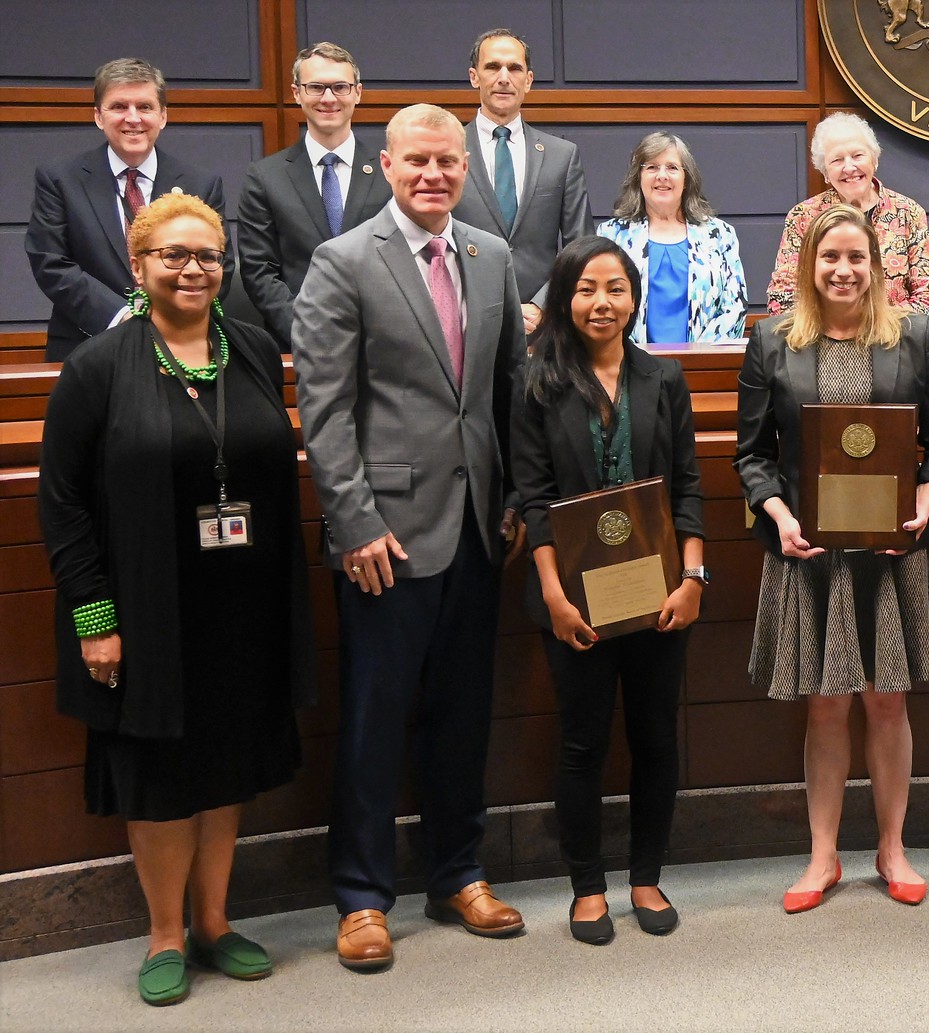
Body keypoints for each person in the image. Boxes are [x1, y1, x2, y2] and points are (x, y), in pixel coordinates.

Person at [38, 194, 315, 1005]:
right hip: (148, 609)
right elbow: (61, 503)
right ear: (140, 265)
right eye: (175, 255)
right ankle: (164, 933)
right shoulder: (100, 364)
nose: (194, 269)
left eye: (208, 255)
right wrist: (97, 621)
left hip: (242, 605)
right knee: (161, 772)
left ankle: (215, 920)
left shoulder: (254, 349)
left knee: (225, 762)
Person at [293, 103, 528, 972]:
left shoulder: (491, 255)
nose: (433, 175)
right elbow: (325, 407)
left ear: (464, 166)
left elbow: (509, 392)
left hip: (477, 528)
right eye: (416, 162)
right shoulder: (343, 261)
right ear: (384, 166)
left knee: (463, 714)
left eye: (447, 162)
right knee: (374, 718)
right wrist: (352, 520)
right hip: (384, 535)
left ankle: (457, 871)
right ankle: (361, 896)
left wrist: (516, 498)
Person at [736, 204, 929, 914]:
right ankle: (823, 854)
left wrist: (925, 504)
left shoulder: (916, 335)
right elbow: (752, 455)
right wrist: (779, 514)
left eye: (856, 258)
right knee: (827, 703)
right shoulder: (772, 341)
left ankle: (892, 847)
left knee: (887, 699)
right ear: (809, 265)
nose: (843, 270)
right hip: (810, 548)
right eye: (829, 257)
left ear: (877, 265)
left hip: (894, 545)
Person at [511, 236, 708, 945]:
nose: (603, 302)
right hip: (574, 599)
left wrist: (692, 578)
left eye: (617, 288)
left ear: (634, 298)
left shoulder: (665, 378)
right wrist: (555, 597)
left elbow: (688, 485)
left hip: (660, 596)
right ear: (566, 298)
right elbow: (533, 498)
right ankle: (587, 885)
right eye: (588, 288)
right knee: (583, 742)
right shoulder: (537, 382)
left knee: (656, 737)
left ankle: (647, 874)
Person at [26, 58, 231, 362]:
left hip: (179, 349)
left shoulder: (201, 184)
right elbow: (51, 263)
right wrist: (123, 316)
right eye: (119, 106)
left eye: (145, 107)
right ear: (98, 116)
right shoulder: (60, 179)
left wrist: (164, 319)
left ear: (162, 116)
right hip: (87, 348)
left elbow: (217, 265)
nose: (133, 118)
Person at [237, 42, 393, 350]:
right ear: (297, 94)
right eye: (316, 87)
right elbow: (259, 270)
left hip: (382, 345)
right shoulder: (265, 177)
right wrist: (306, 332)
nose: (328, 98)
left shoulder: (390, 172)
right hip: (298, 346)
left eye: (340, 87)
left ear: (357, 93)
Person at [449, 28, 592, 331]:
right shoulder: (447, 152)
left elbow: (580, 247)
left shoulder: (561, 156)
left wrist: (544, 305)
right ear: (474, 76)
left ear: (528, 80)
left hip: (542, 331)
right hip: (464, 323)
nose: (504, 77)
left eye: (514, 68)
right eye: (492, 67)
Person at [766, 112, 929, 319]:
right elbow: (781, 299)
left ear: (875, 160)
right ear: (825, 172)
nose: (849, 167)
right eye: (837, 160)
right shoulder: (803, 217)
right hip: (822, 342)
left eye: (857, 155)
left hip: (896, 342)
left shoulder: (908, 213)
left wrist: (876, 324)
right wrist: (838, 328)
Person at [592, 131, 749, 344]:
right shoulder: (611, 236)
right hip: (630, 365)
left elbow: (735, 307)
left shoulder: (720, 235)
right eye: (652, 167)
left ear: (686, 179)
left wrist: (697, 356)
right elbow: (603, 305)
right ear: (638, 178)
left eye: (672, 168)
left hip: (703, 366)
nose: (662, 176)